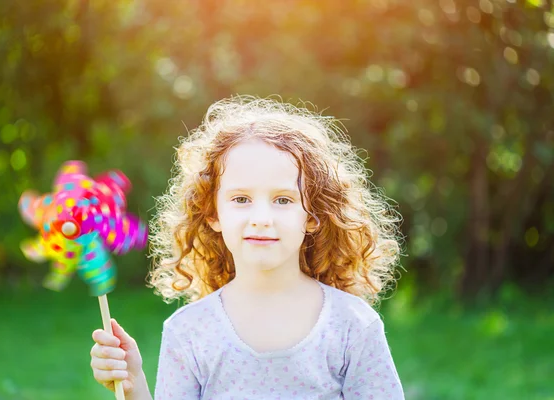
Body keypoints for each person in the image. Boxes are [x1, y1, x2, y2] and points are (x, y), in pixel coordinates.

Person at [90, 95, 406, 399]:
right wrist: (133, 387)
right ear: (213, 213)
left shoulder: (352, 325)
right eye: (241, 199)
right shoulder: (188, 331)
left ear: (312, 215)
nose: (261, 218)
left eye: (283, 200)